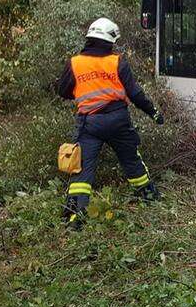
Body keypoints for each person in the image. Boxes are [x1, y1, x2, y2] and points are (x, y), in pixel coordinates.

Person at [56, 17, 164, 228]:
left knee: (81, 169)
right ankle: (149, 198)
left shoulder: (75, 63)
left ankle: (74, 217)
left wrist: (83, 93)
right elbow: (135, 93)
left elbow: (63, 90)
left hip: (89, 123)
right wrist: (153, 112)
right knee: (131, 160)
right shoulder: (117, 62)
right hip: (118, 121)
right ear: (110, 40)